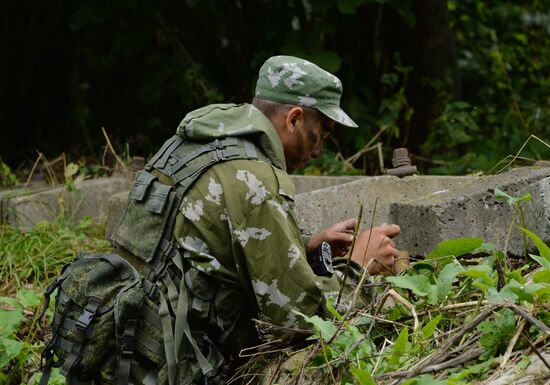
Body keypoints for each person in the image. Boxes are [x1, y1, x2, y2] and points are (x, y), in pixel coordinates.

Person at [112, 55, 400, 384]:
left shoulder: (198, 146)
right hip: (169, 369)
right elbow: (299, 319)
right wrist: (359, 267)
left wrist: (303, 248)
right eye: (321, 135)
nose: (319, 151)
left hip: (125, 347)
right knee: (318, 361)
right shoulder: (256, 180)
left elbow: (207, 251)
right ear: (294, 119)